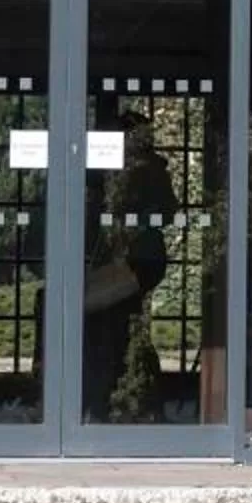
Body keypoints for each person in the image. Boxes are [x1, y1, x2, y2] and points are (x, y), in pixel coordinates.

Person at [83, 111, 174, 420]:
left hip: (137, 259)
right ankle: (124, 395)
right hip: (132, 258)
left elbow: (166, 212)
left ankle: (123, 396)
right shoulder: (112, 170)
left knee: (119, 327)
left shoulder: (145, 170)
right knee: (119, 327)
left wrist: (133, 223)